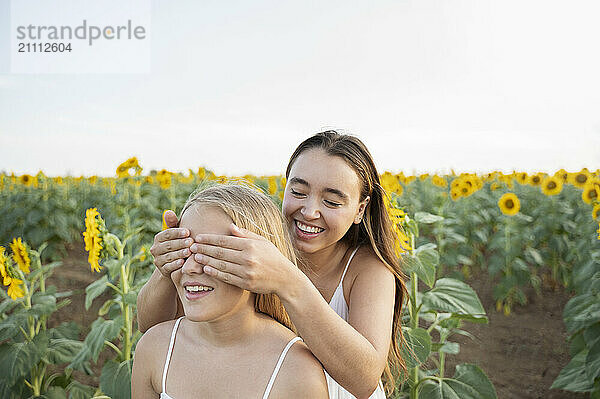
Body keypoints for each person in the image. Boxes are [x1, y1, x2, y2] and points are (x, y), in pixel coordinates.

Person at [138, 131, 409, 398]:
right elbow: (153, 329)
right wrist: (170, 263)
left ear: (360, 209)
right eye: (299, 192)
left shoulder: (368, 269)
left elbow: (363, 381)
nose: (310, 211)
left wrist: (288, 280)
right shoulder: (252, 237)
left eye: (331, 202)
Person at [132, 183, 329, 398]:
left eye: (213, 254)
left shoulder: (297, 372)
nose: (189, 267)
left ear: (259, 263)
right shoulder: (155, 349)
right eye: (183, 251)